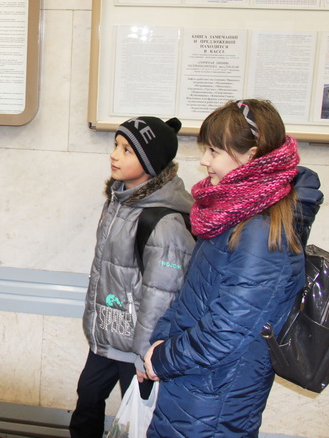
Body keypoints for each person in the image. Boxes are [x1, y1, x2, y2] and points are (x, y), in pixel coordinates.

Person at [144, 99, 324, 437]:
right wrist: (158, 345)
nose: (204, 161)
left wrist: (164, 358)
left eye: (214, 151)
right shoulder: (232, 214)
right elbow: (193, 296)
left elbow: (228, 331)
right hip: (196, 381)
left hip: (216, 395)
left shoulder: (261, 231)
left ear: (251, 155)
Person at [70, 117, 196, 438]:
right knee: (87, 405)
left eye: (127, 150)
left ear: (151, 163)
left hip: (137, 347)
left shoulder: (164, 222)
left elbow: (161, 295)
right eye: (116, 145)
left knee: (138, 423)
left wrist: (144, 354)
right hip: (107, 335)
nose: (114, 155)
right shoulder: (118, 201)